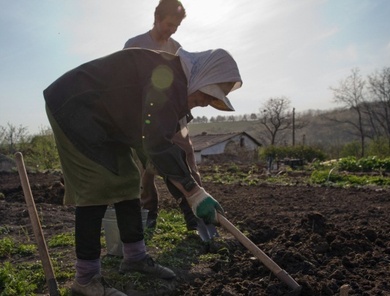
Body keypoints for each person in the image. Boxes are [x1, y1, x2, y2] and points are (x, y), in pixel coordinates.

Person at [43, 47, 242, 296]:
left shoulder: (176, 86)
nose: (205, 103)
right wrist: (194, 191)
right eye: (207, 95)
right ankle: (85, 280)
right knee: (97, 185)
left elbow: (157, 150)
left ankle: (135, 257)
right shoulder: (168, 80)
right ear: (201, 78)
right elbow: (157, 143)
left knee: (128, 180)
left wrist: (192, 195)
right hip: (74, 107)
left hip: (107, 119)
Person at [124, 0, 218, 240]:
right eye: (169, 24)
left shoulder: (177, 48)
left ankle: (194, 218)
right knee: (148, 170)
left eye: (176, 26)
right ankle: (150, 213)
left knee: (187, 165)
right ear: (156, 18)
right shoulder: (135, 45)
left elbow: (185, 85)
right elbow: (126, 85)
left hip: (176, 118)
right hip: (145, 121)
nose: (172, 30)